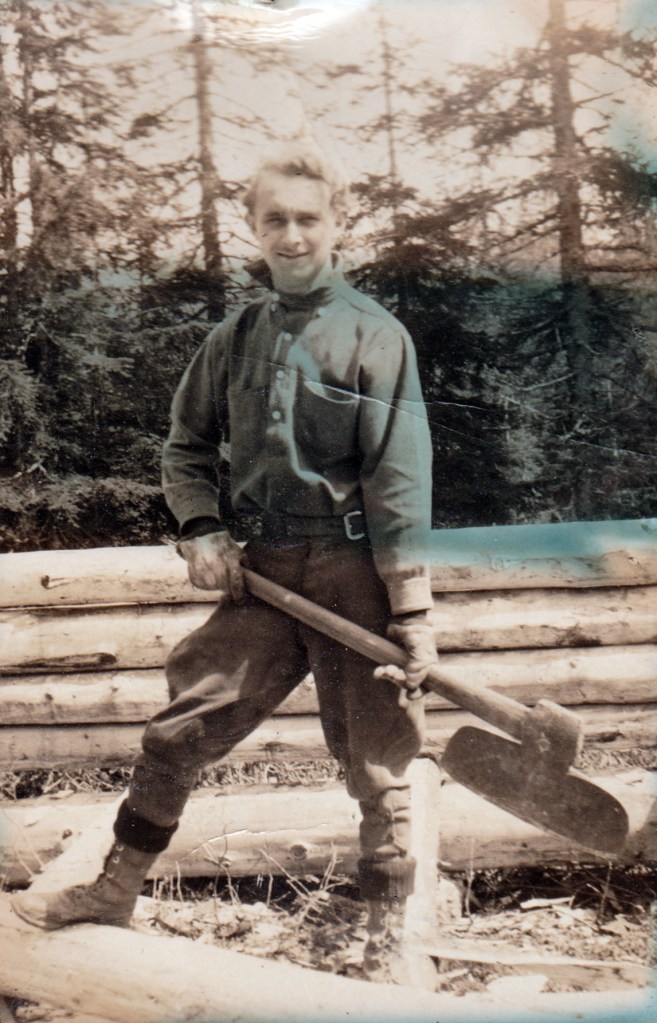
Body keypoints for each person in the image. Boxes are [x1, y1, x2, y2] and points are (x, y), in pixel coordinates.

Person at [12, 138, 438, 986]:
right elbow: (185, 445)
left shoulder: (374, 337)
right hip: (265, 573)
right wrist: (202, 527)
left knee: (378, 759)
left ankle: (388, 933)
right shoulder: (233, 336)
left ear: (336, 224)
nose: (290, 234)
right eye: (273, 218)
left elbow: (399, 480)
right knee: (180, 726)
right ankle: (115, 888)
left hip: (352, 575)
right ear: (252, 226)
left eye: (306, 218)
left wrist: (412, 612)